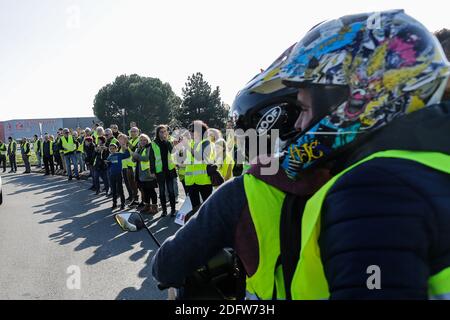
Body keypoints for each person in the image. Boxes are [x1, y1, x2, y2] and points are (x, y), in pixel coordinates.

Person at [184, 120, 214, 209]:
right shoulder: (190, 143)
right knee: (195, 208)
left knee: (207, 207)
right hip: (191, 181)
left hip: (204, 180)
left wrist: (187, 147)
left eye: (192, 130)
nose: (190, 133)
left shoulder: (206, 142)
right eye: (189, 130)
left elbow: (199, 157)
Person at [152, 125, 177, 217]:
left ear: (167, 132)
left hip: (169, 170)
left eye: (164, 131)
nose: (163, 133)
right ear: (158, 133)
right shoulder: (154, 143)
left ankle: (173, 210)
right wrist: (152, 170)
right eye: (161, 132)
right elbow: (152, 158)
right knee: (162, 192)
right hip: (160, 171)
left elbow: (173, 152)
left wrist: (167, 141)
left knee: (171, 191)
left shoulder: (169, 142)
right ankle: (164, 210)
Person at [132, 134, 158, 214]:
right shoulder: (139, 149)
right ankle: (147, 206)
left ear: (147, 140)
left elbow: (147, 158)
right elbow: (134, 160)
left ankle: (154, 207)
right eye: (141, 140)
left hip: (149, 173)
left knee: (151, 191)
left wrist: (137, 156)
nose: (143, 142)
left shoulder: (149, 147)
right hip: (140, 174)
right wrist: (134, 156)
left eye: (144, 140)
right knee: (145, 191)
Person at [106, 142, 130, 210]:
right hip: (111, 175)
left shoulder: (119, 154)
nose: (112, 150)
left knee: (120, 189)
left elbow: (127, 155)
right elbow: (108, 166)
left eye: (113, 148)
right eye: (110, 149)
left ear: (116, 149)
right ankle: (114, 204)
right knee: (113, 190)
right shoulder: (109, 156)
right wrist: (107, 164)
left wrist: (126, 148)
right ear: (109, 149)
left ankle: (123, 204)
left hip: (118, 174)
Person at [126, 127, 141, 206]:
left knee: (138, 184)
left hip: (136, 166)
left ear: (138, 132)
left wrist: (128, 143)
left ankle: (144, 201)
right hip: (129, 165)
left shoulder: (140, 140)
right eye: (131, 131)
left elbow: (134, 149)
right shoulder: (131, 140)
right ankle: (135, 199)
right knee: (131, 184)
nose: (132, 133)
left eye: (134, 131)